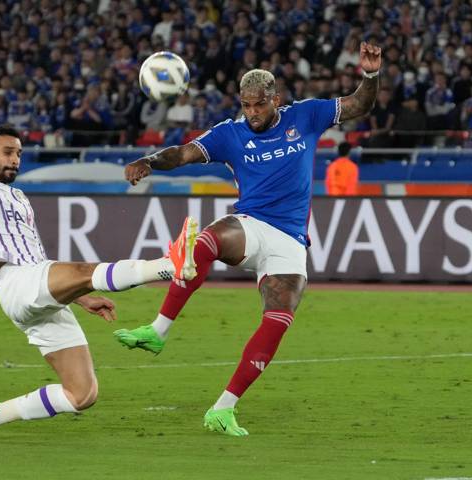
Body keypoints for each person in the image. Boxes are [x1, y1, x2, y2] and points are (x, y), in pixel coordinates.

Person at [115, 42, 382, 436]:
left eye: (259, 105)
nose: (252, 113)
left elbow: (359, 105)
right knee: (207, 239)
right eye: (246, 105)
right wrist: (150, 162)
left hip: (290, 241)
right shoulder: (231, 133)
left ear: (275, 99)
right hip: (252, 225)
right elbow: (185, 153)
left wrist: (371, 75)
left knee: (276, 322)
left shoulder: (306, 116)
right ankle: (158, 330)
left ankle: (223, 409)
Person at [0, 106, 198, 441]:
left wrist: (82, 298)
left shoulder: (19, 199)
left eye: (19, 153)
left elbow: (38, 258)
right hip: (15, 282)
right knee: (82, 269)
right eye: (8, 152)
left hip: (36, 285)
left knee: (82, 394)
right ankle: (169, 265)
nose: (16, 159)